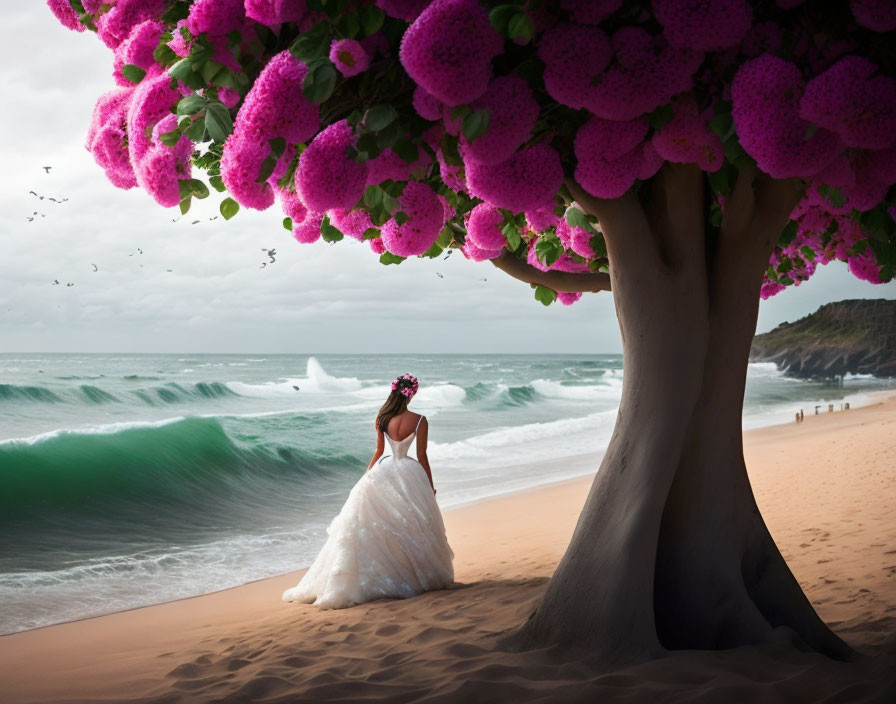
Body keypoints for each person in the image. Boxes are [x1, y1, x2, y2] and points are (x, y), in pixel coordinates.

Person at [282, 374, 454, 609]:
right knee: (407, 525)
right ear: (411, 393)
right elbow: (422, 457)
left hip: (384, 471)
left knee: (380, 525)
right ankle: (408, 574)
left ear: (394, 391)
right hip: (409, 472)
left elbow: (378, 451)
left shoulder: (382, 418)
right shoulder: (420, 420)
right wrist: (429, 485)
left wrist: (366, 478)